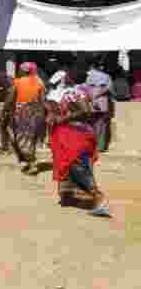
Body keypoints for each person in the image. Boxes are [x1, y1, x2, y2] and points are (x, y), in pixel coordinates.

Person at [47, 68, 111, 218]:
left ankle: (98, 200)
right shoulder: (77, 92)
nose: (64, 78)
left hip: (75, 137)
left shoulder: (75, 93)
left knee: (78, 168)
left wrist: (62, 119)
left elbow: (85, 110)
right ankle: (70, 196)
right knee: (76, 166)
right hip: (75, 135)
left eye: (68, 76)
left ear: (72, 78)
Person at [6, 62, 47, 175]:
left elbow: (10, 98)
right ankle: (29, 161)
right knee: (31, 139)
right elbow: (43, 100)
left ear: (23, 71)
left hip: (22, 114)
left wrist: (5, 110)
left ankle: (32, 163)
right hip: (37, 113)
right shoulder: (40, 82)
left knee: (21, 138)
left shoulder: (18, 82)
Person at [86, 60, 113, 153]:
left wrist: (93, 96)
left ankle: (91, 145)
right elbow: (109, 89)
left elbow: (86, 88)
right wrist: (99, 94)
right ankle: (100, 147)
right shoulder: (106, 76)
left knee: (91, 124)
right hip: (102, 102)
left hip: (91, 101)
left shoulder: (89, 76)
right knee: (102, 125)